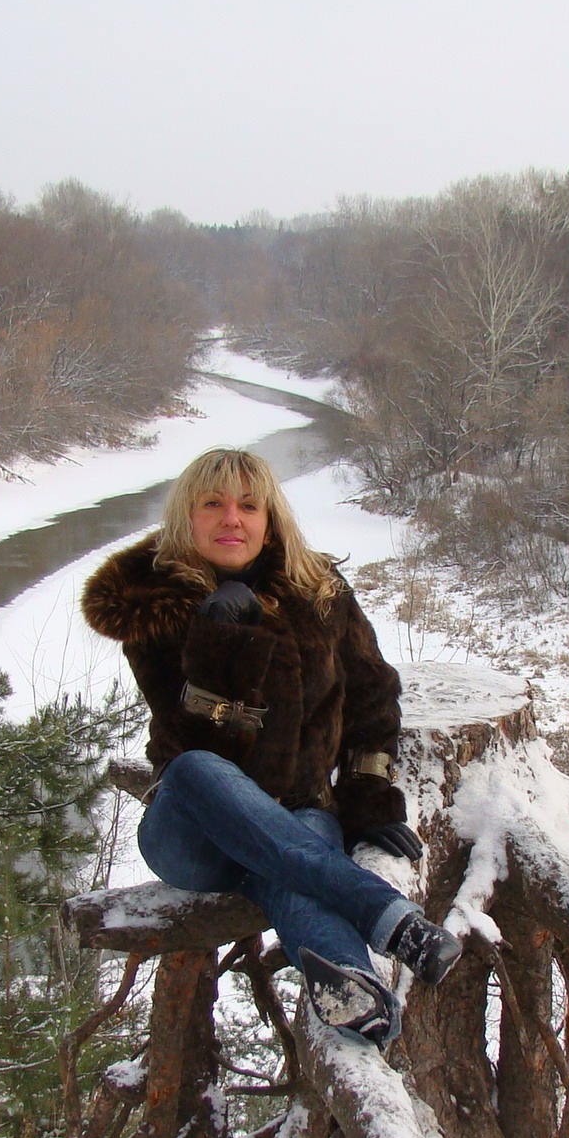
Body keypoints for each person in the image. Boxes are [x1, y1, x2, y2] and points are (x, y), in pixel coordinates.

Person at [80, 446, 461, 1047]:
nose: (232, 519)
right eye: (213, 504)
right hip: (193, 829)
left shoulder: (320, 592)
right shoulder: (156, 608)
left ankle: (359, 996)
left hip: (299, 811)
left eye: (248, 506)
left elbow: (373, 695)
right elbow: (190, 738)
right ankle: (389, 916)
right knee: (194, 768)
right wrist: (219, 642)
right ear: (187, 516)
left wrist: (368, 799)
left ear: (269, 518)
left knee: (282, 872)